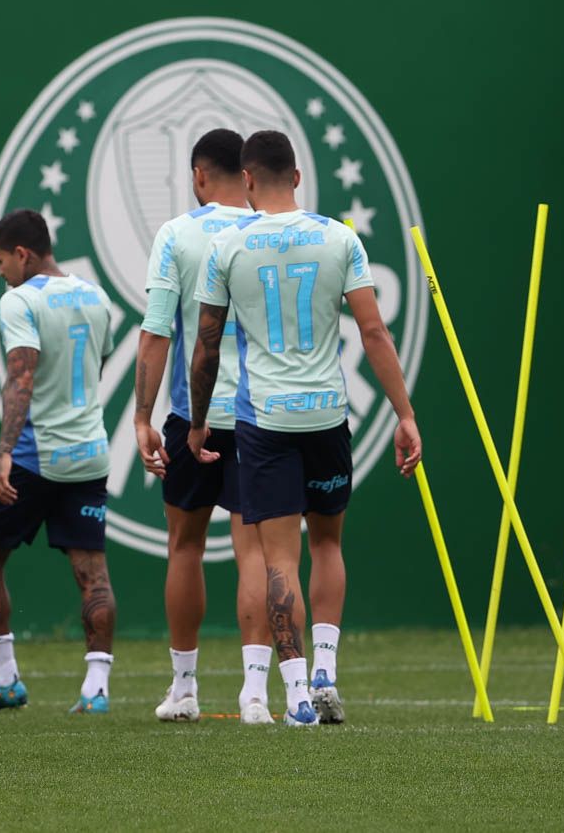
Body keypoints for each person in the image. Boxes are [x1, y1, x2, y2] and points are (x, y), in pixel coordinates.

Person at [189, 130, 422, 726]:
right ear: (296, 176)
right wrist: (404, 414)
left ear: (246, 180)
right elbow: (374, 332)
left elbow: (207, 347)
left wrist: (197, 423)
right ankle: (325, 672)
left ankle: (294, 695)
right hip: (326, 414)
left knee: (279, 560)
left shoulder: (228, 244)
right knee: (327, 544)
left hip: (265, 419)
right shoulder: (340, 237)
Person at [134, 129, 273, 725]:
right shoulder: (271, 232)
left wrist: (141, 416)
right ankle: (256, 695)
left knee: (184, 547)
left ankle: (184, 689)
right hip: (261, 416)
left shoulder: (177, 234)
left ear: (198, 174)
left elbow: (157, 332)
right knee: (256, 553)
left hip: (193, 413)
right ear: (246, 174)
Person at [0, 209, 116, 715]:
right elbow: (97, 365)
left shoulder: (20, 300)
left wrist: (5, 454)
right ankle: (96, 689)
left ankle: (5, 678)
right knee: (92, 572)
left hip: (34, 457)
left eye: (0, 261)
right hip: (90, 453)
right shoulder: (96, 296)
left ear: (22, 254)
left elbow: (22, 378)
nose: (0, 272)